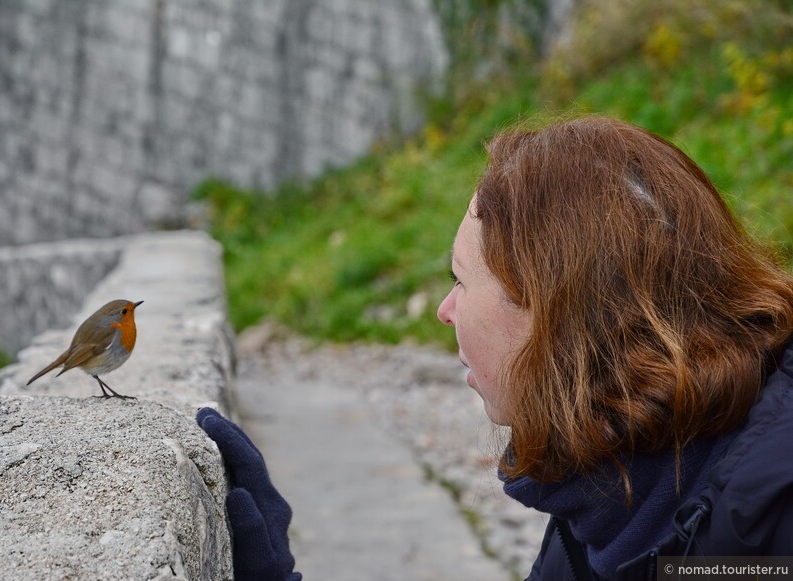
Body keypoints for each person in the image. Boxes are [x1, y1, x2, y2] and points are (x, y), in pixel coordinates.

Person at [197, 115, 793, 580]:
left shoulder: (767, 522)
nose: (444, 310)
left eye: (461, 279)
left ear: (554, 311)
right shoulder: (612, 475)